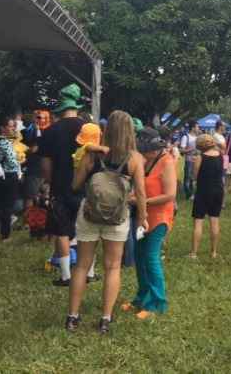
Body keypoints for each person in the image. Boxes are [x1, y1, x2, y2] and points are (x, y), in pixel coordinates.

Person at [66, 110, 148, 333]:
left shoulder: (92, 155)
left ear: (106, 130)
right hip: (117, 217)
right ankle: (105, 318)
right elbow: (140, 192)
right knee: (112, 267)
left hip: (89, 214)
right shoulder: (134, 159)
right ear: (130, 131)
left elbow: (75, 185)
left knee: (82, 265)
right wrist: (143, 217)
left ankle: (72, 316)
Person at [121, 127, 175, 319]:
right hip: (141, 215)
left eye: (146, 150)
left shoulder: (167, 162)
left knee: (151, 258)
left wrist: (141, 201)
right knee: (139, 256)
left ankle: (157, 303)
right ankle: (141, 297)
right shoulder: (145, 160)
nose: (143, 154)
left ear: (155, 149)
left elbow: (169, 195)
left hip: (159, 217)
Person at [40, 84, 86, 286]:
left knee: (61, 229)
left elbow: (46, 163)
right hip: (84, 186)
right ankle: (89, 271)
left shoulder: (50, 131)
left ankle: (66, 275)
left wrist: (50, 182)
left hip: (60, 185)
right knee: (85, 229)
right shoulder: (89, 129)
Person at [189, 135, 224, 258]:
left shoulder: (200, 157)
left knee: (198, 222)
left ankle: (194, 253)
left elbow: (194, 176)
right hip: (218, 190)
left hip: (203, 190)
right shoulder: (220, 156)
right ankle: (214, 252)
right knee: (214, 220)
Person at [0, 115, 22, 242]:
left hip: (5, 175)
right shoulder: (2, 142)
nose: (13, 128)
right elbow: (3, 160)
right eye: (10, 126)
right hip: (7, 176)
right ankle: (5, 234)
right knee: (7, 205)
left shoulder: (3, 141)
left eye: (14, 126)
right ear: (3, 128)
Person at [179, 123, 199, 199]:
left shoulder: (197, 137)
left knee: (193, 177)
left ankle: (192, 193)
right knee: (187, 177)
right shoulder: (185, 137)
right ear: (193, 128)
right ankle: (188, 194)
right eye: (197, 127)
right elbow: (181, 149)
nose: (198, 128)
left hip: (196, 159)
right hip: (188, 160)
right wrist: (191, 149)